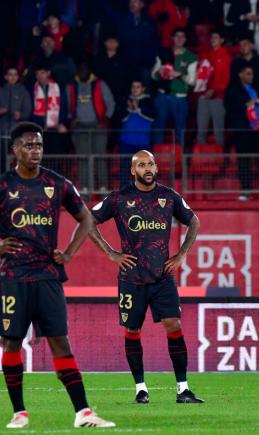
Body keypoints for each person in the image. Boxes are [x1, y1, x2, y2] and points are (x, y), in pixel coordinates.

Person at [0, 122, 115, 429]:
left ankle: (83, 413)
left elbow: (86, 218)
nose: (35, 150)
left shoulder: (58, 184)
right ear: (15, 149)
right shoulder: (0, 187)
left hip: (48, 277)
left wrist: (69, 252)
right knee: (11, 344)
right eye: (28, 145)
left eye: (38, 145)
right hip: (14, 277)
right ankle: (19, 413)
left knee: (60, 343)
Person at [88, 150, 204, 405]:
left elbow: (194, 221)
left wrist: (182, 254)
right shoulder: (119, 199)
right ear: (133, 171)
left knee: (173, 324)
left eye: (151, 163)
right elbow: (87, 219)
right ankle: (141, 388)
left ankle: (183, 389)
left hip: (162, 276)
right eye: (142, 165)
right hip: (131, 278)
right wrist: (111, 253)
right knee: (132, 329)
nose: (148, 168)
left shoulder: (168, 196)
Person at [67, 61, 116, 193]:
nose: (83, 71)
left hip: (97, 125)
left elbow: (111, 103)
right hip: (80, 127)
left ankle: (102, 188)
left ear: (90, 70)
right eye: (80, 69)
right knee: (83, 158)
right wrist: (70, 119)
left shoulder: (100, 84)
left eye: (85, 69)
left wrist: (105, 119)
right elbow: (66, 106)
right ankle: (84, 188)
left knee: (100, 157)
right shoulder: (71, 86)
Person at [224, 65, 259, 200]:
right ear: (240, 74)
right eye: (248, 73)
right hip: (243, 131)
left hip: (258, 131)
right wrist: (245, 104)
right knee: (244, 161)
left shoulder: (257, 88)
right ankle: (245, 191)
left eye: (251, 74)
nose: (250, 76)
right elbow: (229, 107)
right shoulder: (234, 90)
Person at [151, 28, 198, 144]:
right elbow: (153, 75)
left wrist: (179, 75)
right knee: (158, 127)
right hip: (163, 94)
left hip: (180, 97)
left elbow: (192, 82)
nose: (179, 39)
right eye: (177, 36)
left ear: (185, 39)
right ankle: (158, 157)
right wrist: (159, 72)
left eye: (182, 36)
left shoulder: (191, 57)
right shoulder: (163, 53)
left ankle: (180, 158)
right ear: (172, 38)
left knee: (180, 129)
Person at [196, 28, 231, 145]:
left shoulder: (226, 57)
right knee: (201, 129)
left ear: (222, 40)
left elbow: (225, 78)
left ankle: (220, 160)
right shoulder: (206, 55)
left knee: (218, 130)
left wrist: (214, 89)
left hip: (218, 98)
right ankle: (200, 160)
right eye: (211, 38)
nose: (213, 40)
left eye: (216, 37)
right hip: (204, 96)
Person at [119, 80, 155, 183]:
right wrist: (129, 109)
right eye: (133, 87)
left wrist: (138, 108)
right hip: (126, 143)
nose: (135, 89)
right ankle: (124, 194)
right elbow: (120, 118)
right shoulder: (125, 101)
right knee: (125, 172)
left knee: (144, 171)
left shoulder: (148, 101)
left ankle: (144, 195)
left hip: (143, 143)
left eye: (138, 87)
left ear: (143, 88)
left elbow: (152, 117)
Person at [0, 67, 33, 134]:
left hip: (18, 130)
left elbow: (27, 111)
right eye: (10, 75)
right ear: (6, 77)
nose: (13, 77)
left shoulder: (23, 92)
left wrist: (21, 115)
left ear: (17, 77)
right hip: (2, 129)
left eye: (15, 75)